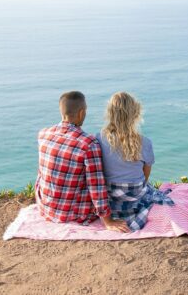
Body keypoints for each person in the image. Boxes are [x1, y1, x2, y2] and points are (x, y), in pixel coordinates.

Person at [35, 91, 129, 233]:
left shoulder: (43, 134)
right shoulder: (88, 143)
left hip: (46, 208)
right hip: (72, 214)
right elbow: (96, 186)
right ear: (81, 112)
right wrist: (108, 221)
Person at [97, 92, 174, 231]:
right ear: (136, 114)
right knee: (150, 190)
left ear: (109, 114)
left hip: (109, 198)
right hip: (134, 196)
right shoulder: (144, 142)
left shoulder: (98, 139)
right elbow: (145, 175)